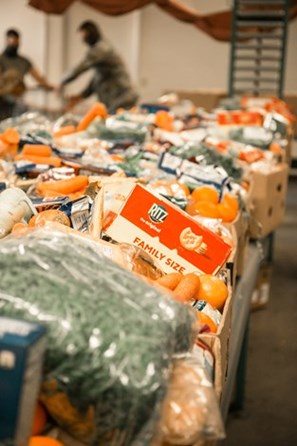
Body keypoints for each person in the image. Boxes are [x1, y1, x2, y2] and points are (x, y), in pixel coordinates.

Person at [59, 21, 139, 113]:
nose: (82, 40)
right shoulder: (100, 56)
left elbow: (80, 67)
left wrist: (62, 81)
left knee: (111, 122)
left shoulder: (101, 49)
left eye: (82, 35)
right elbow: (97, 79)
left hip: (122, 98)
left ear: (89, 33)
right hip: (114, 99)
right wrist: (81, 96)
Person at [0, 28, 54, 120]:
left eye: (15, 41)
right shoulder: (1, 59)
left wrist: (50, 86)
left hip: (19, 98)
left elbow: (38, 77)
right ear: (6, 40)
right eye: (11, 40)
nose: (13, 43)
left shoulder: (24, 61)